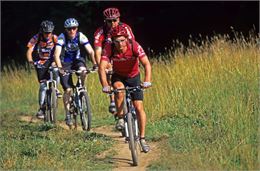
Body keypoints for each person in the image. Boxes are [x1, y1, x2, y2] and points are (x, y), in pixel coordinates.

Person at [98, 25, 152, 153]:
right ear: (113, 41)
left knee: (139, 107)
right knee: (119, 89)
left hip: (134, 76)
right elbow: (102, 67)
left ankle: (142, 139)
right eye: (116, 41)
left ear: (127, 39)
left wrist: (147, 81)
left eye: (122, 40)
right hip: (118, 76)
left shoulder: (134, 46)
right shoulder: (109, 48)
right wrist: (105, 85)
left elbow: (146, 64)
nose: (120, 44)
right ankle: (121, 117)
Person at [54, 18, 97, 126]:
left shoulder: (80, 36)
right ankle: (68, 114)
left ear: (77, 28)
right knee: (68, 90)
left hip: (77, 60)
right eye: (69, 29)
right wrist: (60, 68)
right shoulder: (61, 37)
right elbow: (56, 55)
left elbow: (91, 51)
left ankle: (81, 87)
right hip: (65, 63)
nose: (72, 31)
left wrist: (95, 63)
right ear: (66, 29)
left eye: (74, 28)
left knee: (83, 71)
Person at [94, 7, 135, 115]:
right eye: (109, 21)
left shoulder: (125, 28)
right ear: (105, 21)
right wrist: (101, 66)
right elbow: (98, 51)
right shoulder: (100, 32)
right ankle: (112, 99)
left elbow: (133, 45)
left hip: (125, 56)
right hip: (108, 56)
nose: (112, 23)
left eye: (115, 20)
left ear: (119, 19)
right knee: (106, 70)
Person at [26, 20, 61, 119]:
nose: (47, 34)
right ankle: (41, 108)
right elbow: (29, 51)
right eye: (46, 32)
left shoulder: (55, 38)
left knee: (55, 71)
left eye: (49, 32)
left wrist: (57, 61)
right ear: (42, 31)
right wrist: (31, 61)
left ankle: (56, 89)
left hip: (52, 60)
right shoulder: (36, 37)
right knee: (43, 85)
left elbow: (61, 49)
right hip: (40, 62)